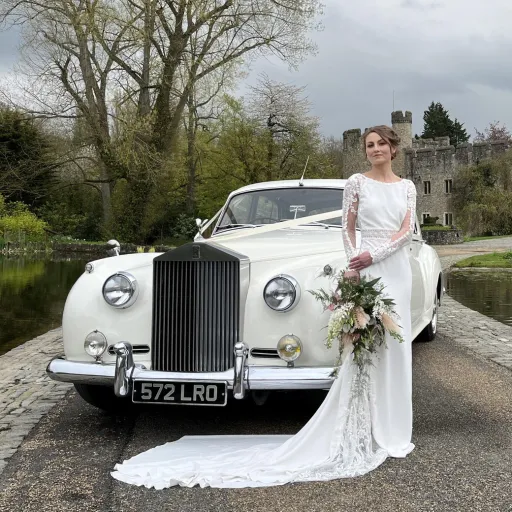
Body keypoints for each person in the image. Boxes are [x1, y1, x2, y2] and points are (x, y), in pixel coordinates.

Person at [111, 125, 417, 489]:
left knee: (395, 345)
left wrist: (373, 254)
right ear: (364, 150)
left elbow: (405, 229)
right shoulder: (355, 182)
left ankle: (393, 427)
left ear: (393, 149)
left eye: (381, 143)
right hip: (364, 266)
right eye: (369, 144)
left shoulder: (407, 187)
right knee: (365, 347)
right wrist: (355, 262)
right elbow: (347, 228)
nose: (375, 149)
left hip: (392, 266)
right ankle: (364, 419)